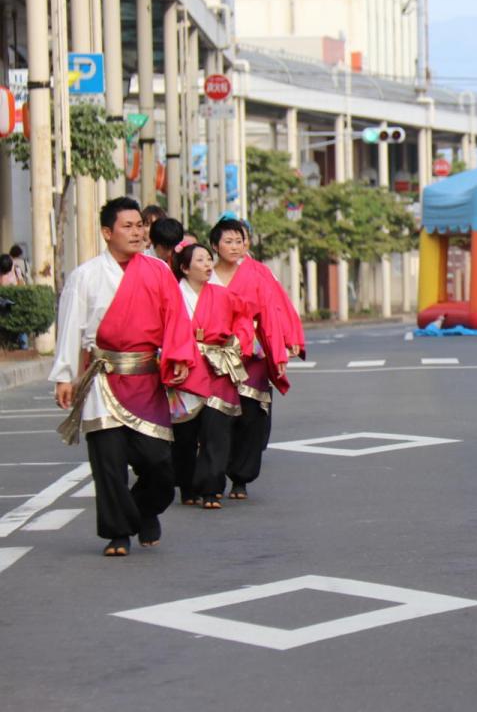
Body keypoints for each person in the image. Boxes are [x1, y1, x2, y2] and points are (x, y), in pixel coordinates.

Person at [49, 197, 196, 557]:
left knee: (160, 464)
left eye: (139, 226)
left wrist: (178, 355)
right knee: (109, 465)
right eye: (127, 226)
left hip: (145, 379)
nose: (137, 232)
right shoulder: (85, 276)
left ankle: (145, 508)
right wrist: (66, 375)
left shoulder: (158, 271)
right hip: (102, 379)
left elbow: (176, 317)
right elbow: (70, 328)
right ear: (106, 232)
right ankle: (118, 533)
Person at [208, 217, 305, 501]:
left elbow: (275, 312)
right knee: (216, 418)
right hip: (214, 357)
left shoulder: (258, 273)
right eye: (228, 241)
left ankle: (241, 478)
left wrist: (283, 347)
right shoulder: (205, 276)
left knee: (251, 417)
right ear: (215, 246)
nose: (235, 247)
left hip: (253, 356)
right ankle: (214, 474)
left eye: (239, 241)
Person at [168, 243, 254, 510]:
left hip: (216, 366)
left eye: (209, 259)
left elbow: (245, 317)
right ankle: (187, 484)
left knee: (217, 429)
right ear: (184, 267)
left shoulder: (222, 295)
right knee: (184, 433)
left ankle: (211, 488)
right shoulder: (172, 296)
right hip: (185, 366)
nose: (207, 265)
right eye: (200, 260)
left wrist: (238, 343)